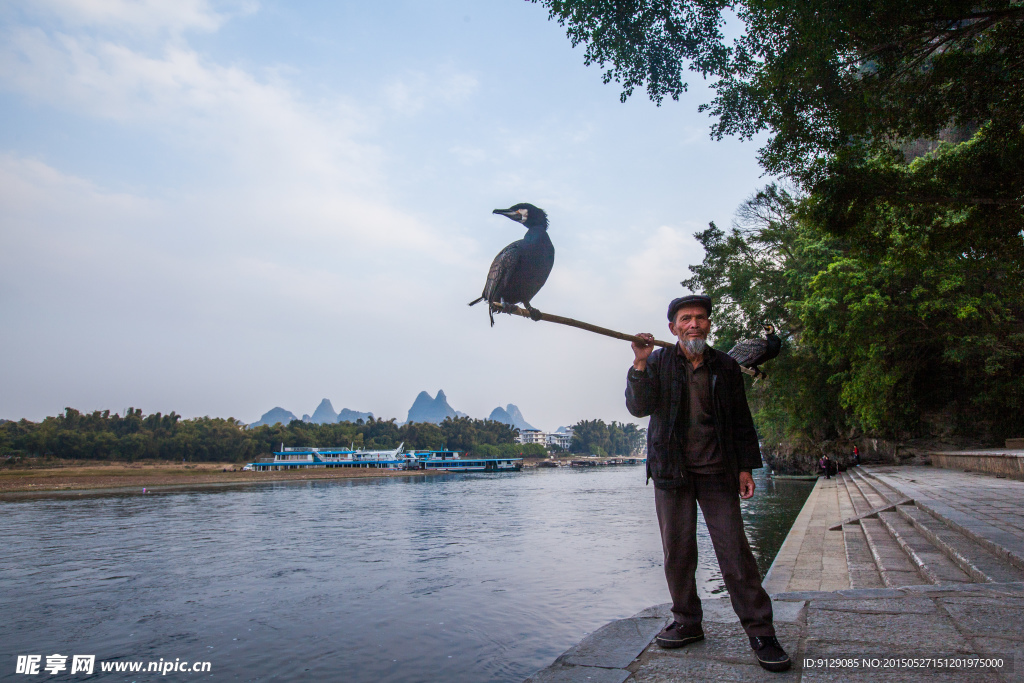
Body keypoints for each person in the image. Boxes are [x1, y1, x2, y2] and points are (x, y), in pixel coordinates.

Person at [626, 294, 791, 673]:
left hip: (718, 472)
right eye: (686, 319)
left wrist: (747, 467)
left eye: (700, 318)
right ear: (673, 328)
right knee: (678, 553)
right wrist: (638, 361)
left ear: (708, 325)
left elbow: (740, 420)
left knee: (734, 551)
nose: (694, 325)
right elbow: (638, 407)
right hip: (671, 473)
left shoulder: (726, 366)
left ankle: (761, 632)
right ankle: (687, 621)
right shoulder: (658, 362)